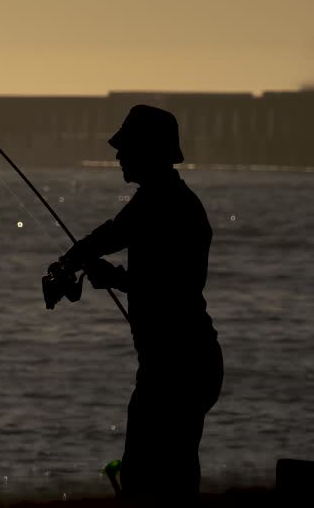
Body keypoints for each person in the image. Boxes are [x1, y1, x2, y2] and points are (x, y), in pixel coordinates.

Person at [58, 104, 223, 505]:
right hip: (182, 360)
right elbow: (116, 234)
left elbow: (169, 289)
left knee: (154, 476)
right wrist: (80, 261)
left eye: (126, 148)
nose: (118, 157)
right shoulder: (161, 197)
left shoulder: (164, 203)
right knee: (169, 471)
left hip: (177, 364)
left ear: (148, 152)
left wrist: (98, 270)